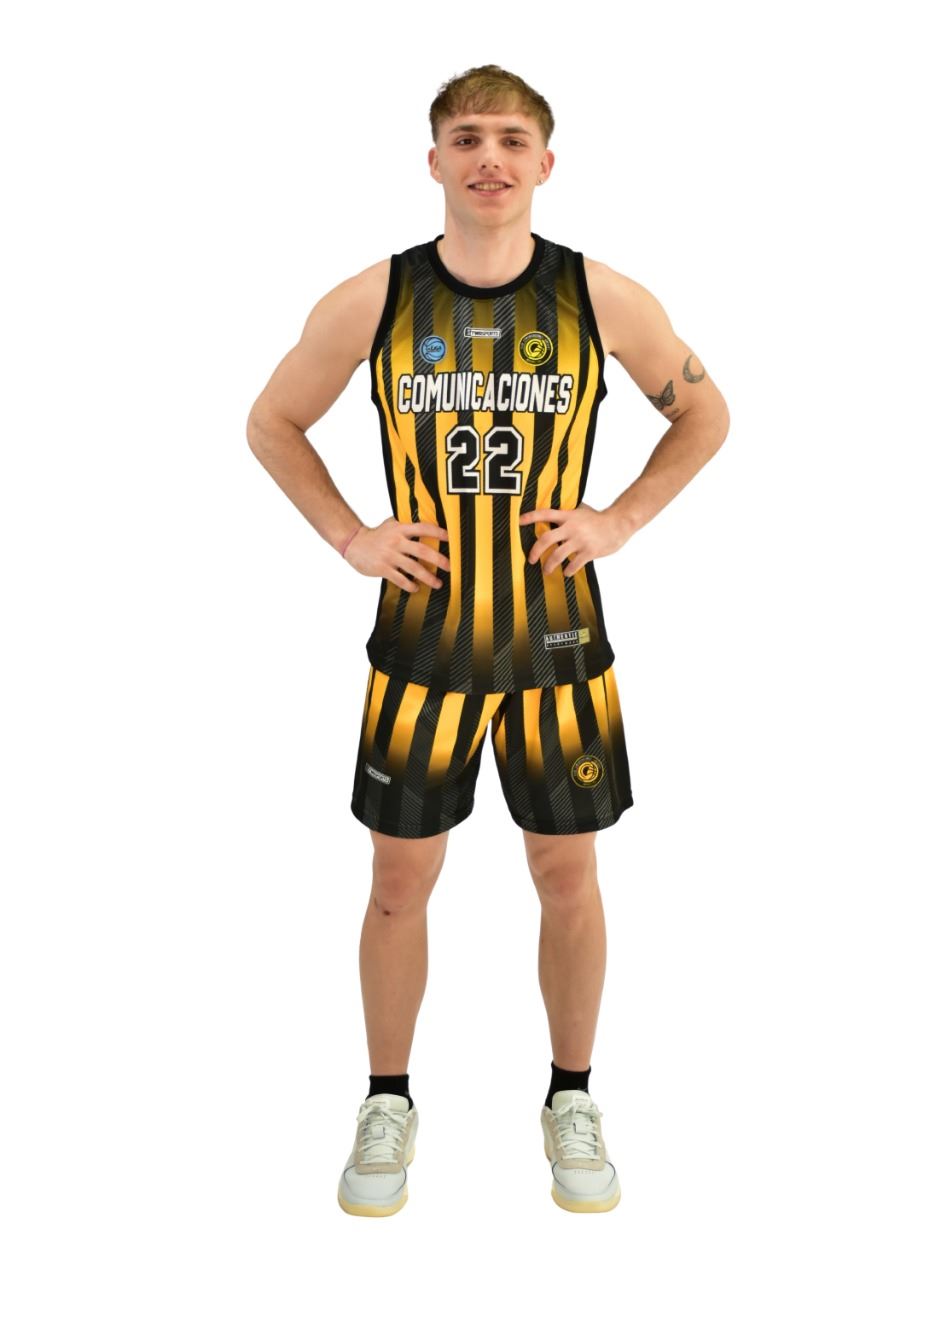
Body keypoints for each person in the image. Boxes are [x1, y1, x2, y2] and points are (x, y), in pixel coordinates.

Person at [246, 64, 729, 1217]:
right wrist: (350, 535)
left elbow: (704, 412)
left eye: (511, 138)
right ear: (434, 161)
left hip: (558, 649)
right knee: (398, 879)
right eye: (466, 138)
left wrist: (618, 518)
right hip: (420, 652)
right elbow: (271, 421)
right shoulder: (374, 299)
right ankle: (387, 1101)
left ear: (545, 163)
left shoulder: (599, 297)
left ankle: (572, 1095)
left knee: (566, 873)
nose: (489, 158)